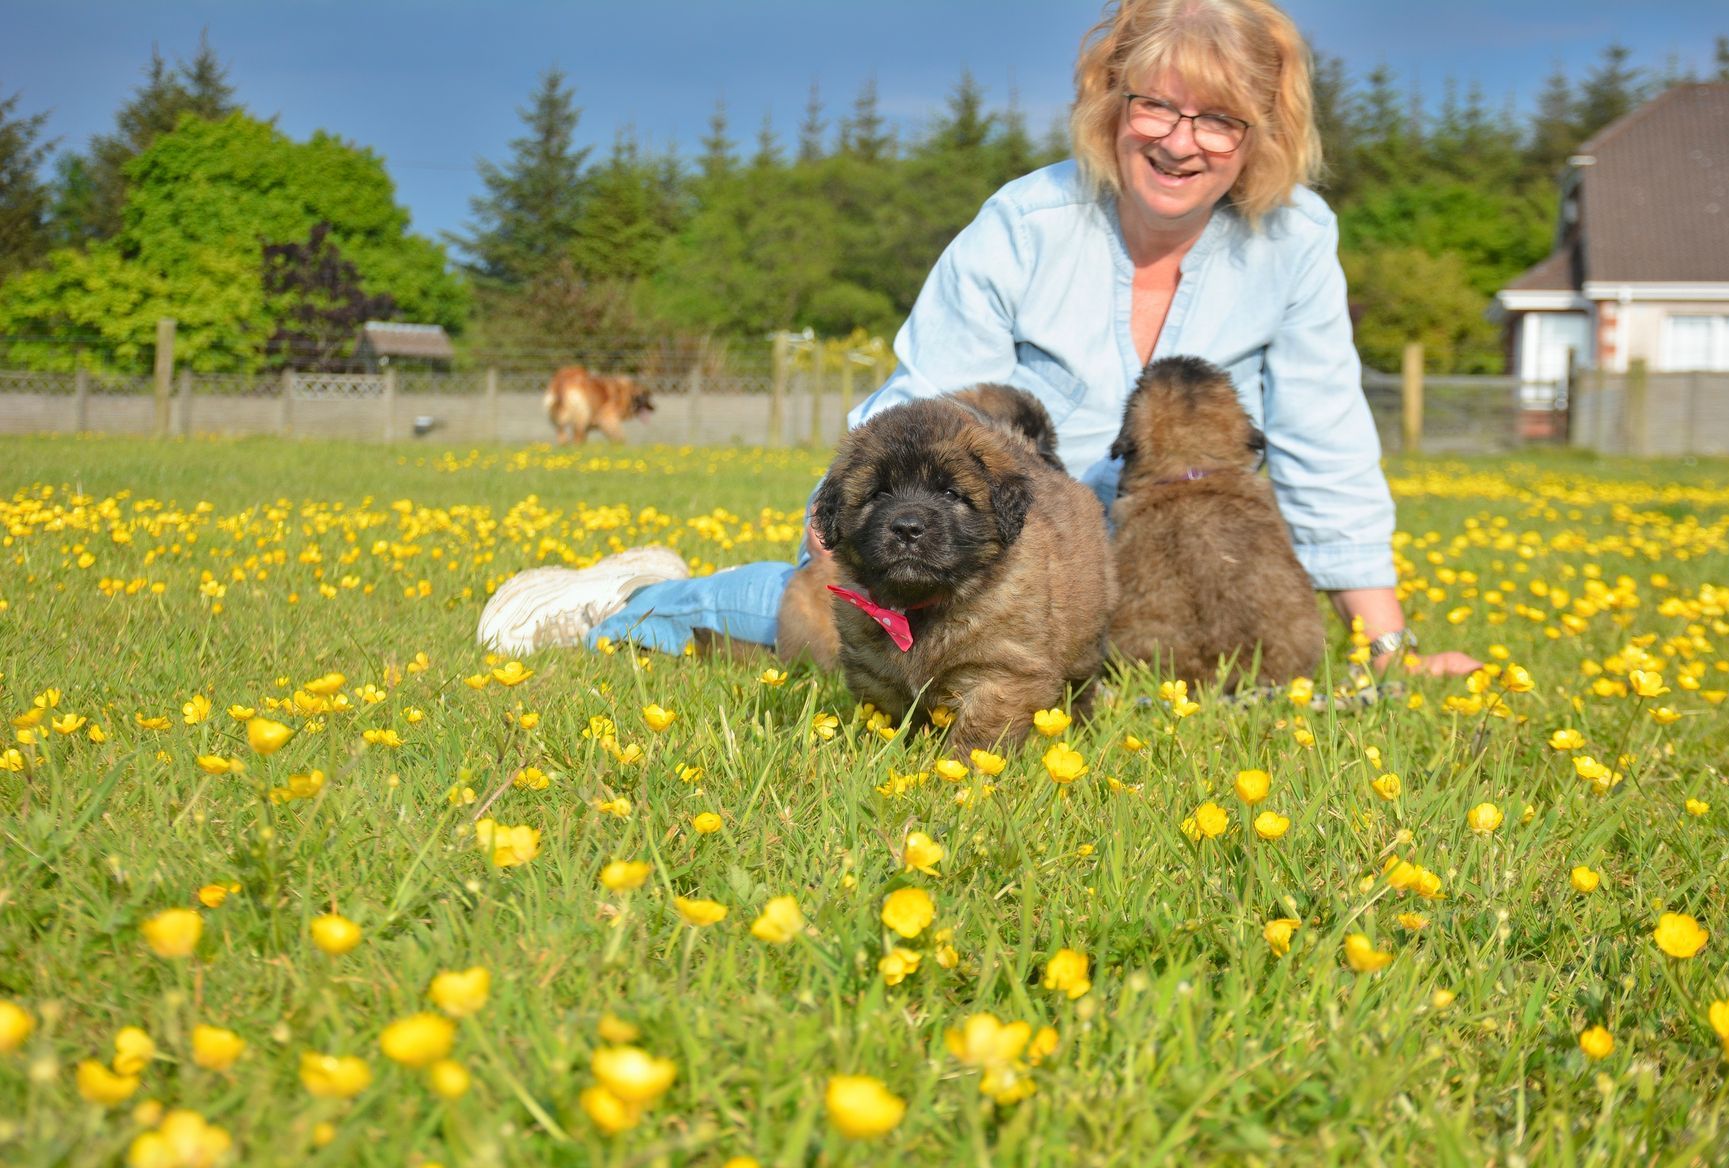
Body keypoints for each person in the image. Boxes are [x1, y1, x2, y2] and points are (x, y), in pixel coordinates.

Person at [513, 0, 1480, 678]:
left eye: (1220, 119)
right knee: (821, 626)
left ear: (1264, 131)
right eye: (1158, 105)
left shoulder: (1296, 240)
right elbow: (918, 401)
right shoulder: (1026, 222)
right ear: (1112, 101)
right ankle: (630, 606)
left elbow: (1324, 439)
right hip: (989, 548)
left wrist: (1385, 645)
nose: (1182, 141)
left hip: (1153, 571)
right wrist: (839, 552)